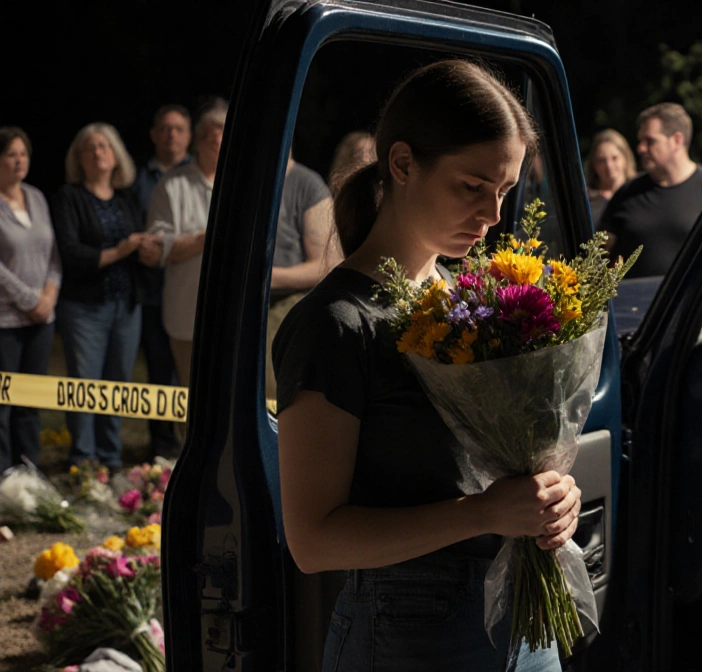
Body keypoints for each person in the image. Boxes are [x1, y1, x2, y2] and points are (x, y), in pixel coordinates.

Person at [273, 60, 580, 672]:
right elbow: (313, 541)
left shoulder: (472, 299)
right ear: (404, 163)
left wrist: (550, 496)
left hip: (519, 614)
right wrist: (489, 512)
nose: (493, 213)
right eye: (472, 186)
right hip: (410, 635)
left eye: (505, 190)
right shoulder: (335, 322)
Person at [52, 123, 149, 470]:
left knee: (118, 387)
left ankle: (110, 459)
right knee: (85, 388)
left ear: (116, 154)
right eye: (90, 148)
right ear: (79, 158)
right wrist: (121, 250)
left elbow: (137, 249)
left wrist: (147, 248)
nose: (98, 153)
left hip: (126, 306)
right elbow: (72, 254)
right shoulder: (69, 197)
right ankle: (84, 463)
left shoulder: (125, 199)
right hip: (84, 308)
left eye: (104, 146)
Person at [146, 99, 226, 388]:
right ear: (200, 142)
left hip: (234, 317)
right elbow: (159, 248)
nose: (219, 145)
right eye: (213, 139)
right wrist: (209, 238)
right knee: (190, 399)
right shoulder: (172, 184)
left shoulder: (241, 187)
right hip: (186, 315)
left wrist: (190, 242)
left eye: (224, 138)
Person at [598, 103, 702, 278]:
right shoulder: (627, 195)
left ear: (677, 140)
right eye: (641, 141)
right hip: (633, 303)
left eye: (650, 141)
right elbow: (598, 258)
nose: (641, 148)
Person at [132, 104, 191, 458]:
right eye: (165, 129)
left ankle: (188, 445)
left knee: (191, 376)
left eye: (179, 129)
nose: (172, 135)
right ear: (154, 135)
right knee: (158, 372)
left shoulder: (203, 176)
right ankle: (161, 445)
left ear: (189, 136)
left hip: (189, 295)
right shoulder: (137, 180)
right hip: (151, 292)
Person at [0, 128, 59, 471]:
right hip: (6, 320)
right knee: (4, 404)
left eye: (23, 153)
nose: (19, 160)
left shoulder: (36, 197)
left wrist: (49, 295)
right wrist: (29, 299)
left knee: (30, 402)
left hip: (42, 319)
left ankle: (30, 472)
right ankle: (6, 479)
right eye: (10, 154)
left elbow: (53, 255)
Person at [263, 153, 340, 401]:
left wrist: (266, 278)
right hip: (245, 305)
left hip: (286, 305)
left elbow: (326, 265)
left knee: (273, 391)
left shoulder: (307, 184)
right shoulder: (247, 180)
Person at [584, 128, 636, 221]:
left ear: (625, 158)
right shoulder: (585, 202)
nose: (609, 166)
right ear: (593, 165)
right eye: (602, 160)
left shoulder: (640, 193)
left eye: (614, 158)